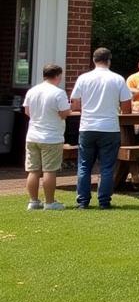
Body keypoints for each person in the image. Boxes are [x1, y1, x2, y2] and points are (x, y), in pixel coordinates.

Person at [70, 47, 131, 209]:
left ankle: (83, 201)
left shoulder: (83, 78)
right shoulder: (117, 79)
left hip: (88, 125)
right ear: (109, 60)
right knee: (107, 167)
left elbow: (75, 102)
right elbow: (127, 106)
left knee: (84, 165)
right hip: (109, 127)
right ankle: (104, 201)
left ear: (94, 60)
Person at [23, 63, 72, 211]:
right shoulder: (58, 92)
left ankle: (33, 201)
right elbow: (65, 113)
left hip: (32, 135)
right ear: (58, 75)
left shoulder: (32, 91)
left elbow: (27, 111)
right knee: (49, 170)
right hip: (51, 136)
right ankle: (50, 202)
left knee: (33, 170)